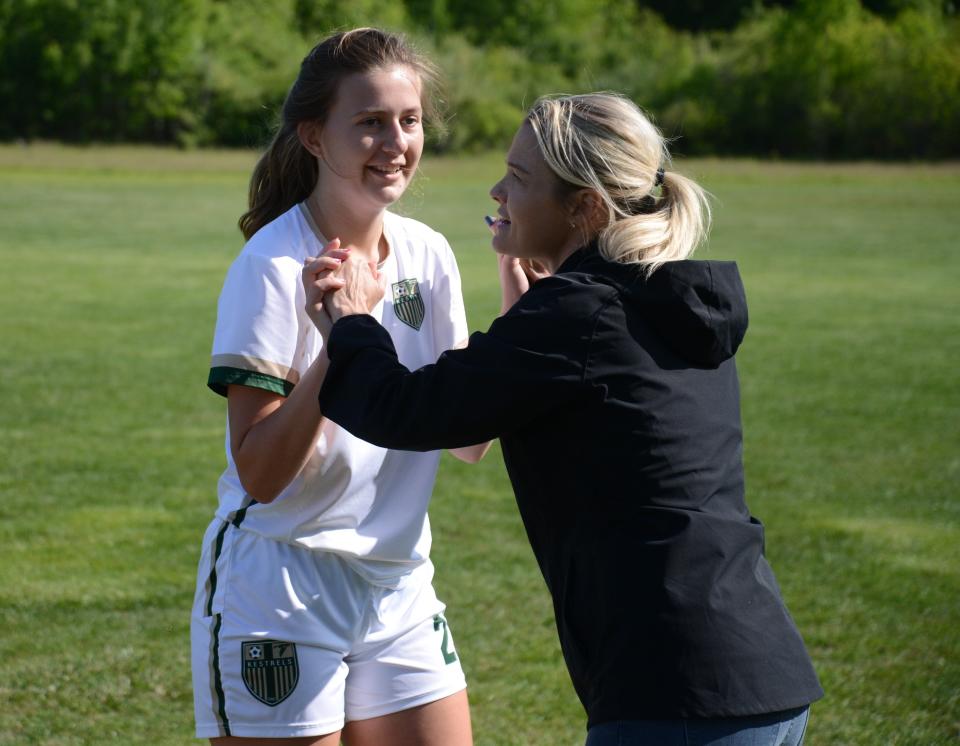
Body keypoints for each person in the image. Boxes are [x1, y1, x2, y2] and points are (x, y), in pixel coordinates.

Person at [303, 93, 824, 745]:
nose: (497, 189)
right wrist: (529, 310)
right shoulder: (660, 299)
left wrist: (353, 317)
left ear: (584, 208)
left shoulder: (579, 318)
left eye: (519, 179)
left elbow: (405, 410)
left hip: (677, 693)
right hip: (755, 676)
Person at [191, 28, 486, 746]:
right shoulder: (272, 266)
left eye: (409, 121)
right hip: (284, 587)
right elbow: (260, 473)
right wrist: (339, 344)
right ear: (315, 137)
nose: (396, 142)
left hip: (399, 585)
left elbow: (468, 441)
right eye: (370, 123)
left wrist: (525, 313)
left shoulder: (428, 254)